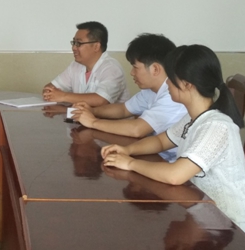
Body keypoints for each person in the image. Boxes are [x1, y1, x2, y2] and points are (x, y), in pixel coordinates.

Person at [102, 45, 245, 242]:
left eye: (170, 78)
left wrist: (130, 163)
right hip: (207, 215)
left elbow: (175, 175)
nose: (167, 83)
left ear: (187, 84)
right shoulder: (193, 117)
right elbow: (161, 141)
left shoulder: (217, 126)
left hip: (233, 230)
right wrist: (127, 150)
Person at [72, 33, 187, 161]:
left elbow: (137, 129)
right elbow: (123, 109)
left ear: (155, 69)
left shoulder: (173, 96)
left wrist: (93, 122)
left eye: (135, 67)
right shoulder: (151, 90)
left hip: (172, 162)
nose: (132, 73)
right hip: (155, 153)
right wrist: (92, 111)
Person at [42, 21, 130, 106]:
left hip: (108, 117)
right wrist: (50, 93)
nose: (73, 47)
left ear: (96, 46)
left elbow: (101, 100)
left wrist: (63, 96)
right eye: (74, 42)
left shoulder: (111, 68)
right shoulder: (75, 66)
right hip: (81, 116)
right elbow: (50, 87)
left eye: (78, 43)